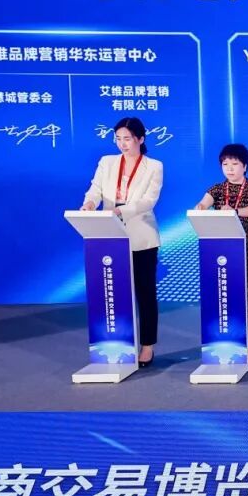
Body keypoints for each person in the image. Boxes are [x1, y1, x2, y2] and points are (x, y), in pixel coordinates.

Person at [80, 117, 163, 367]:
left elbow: (148, 201)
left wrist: (121, 211)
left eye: (127, 138)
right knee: (113, 292)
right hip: (110, 235)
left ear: (140, 139)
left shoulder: (154, 166)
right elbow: (95, 188)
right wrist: (90, 203)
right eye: (118, 139)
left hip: (142, 237)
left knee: (145, 293)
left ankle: (147, 346)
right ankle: (116, 344)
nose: (122, 144)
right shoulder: (107, 162)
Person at [194, 143, 248, 365]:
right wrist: (200, 207)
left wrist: (234, 211)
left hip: (247, 248)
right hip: (220, 249)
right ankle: (224, 341)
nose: (229, 168)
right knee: (223, 294)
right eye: (225, 164)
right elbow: (204, 203)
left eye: (235, 164)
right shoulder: (217, 189)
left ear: (245, 166)